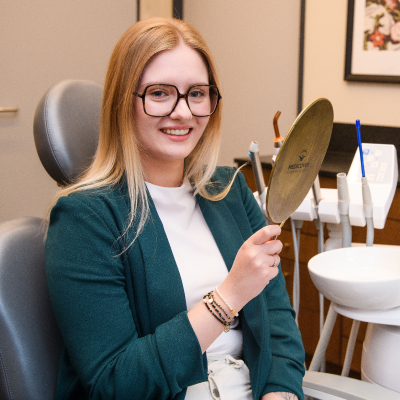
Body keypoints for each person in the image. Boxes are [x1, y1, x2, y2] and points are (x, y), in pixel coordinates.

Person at [45, 17, 305, 400]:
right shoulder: (84, 219)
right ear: (123, 102)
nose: (183, 112)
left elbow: (278, 321)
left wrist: (280, 393)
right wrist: (228, 297)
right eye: (160, 93)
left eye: (197, 93)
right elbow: (114, 382)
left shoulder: (229, 190)